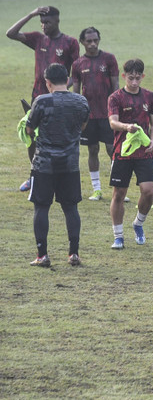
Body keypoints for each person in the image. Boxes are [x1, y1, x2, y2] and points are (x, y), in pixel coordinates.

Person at [6, 6, 79, 192]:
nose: (44, 25)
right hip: (37, 97)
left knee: (57, 137)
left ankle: (58, 177)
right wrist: (31, 13)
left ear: (57, 21)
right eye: (42, 22)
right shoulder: (38, 39)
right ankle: (34, 176)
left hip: (60, 99)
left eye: (47, 22)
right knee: (32, 137)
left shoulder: (70, 42)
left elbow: (77, 73)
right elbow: (10, 33)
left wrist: (62, 88)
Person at [25, 63, 89, 267]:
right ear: (68, 80)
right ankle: (74, 253)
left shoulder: (41, 101)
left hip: (44, 164)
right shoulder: (81, 101)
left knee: (41, 208)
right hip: (70, 164)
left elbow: (29, 130)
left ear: (48, 82)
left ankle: (42, 255)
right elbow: (83, 126)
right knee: (71, 208)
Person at [108, 59, 153, 249]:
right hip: (122, 152)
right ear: (124, 76)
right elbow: (113, 122)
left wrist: (152, 140)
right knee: (119, 194)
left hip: (144, 152)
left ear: (142, 77)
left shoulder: (150, 97)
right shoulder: (115, 97)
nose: (135, 82)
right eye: (131, 78)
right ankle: (118, 236)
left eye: (138, 78)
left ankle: (138, 223)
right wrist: (126, 127)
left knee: (148, 191)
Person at [72, 26, 119, 201]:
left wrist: (116, 109)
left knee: (112, 149)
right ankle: (97, 189)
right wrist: (78, 112)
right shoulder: (77, 64)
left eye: (95, 40)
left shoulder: (109, 59)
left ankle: (118, 188)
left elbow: (116, 86)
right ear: (82, 42)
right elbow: (76, 91)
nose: (92, 44)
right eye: (89, 41)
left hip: (108, 114)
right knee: (92, 149)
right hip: (88, 115)